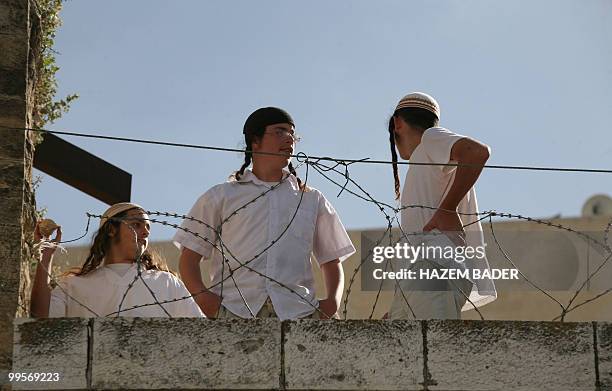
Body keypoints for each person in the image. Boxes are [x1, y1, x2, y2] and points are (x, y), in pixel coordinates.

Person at [174, 107, 355, 320]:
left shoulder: (311, 199)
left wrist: (332, 303)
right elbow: (189, 257)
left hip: (299, 312)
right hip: (235, 310)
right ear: (255, 141)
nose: (289, 140)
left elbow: (332, 260)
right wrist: (206, 301)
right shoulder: (222, 196)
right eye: (279, 132)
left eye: (292, 134)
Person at [387, 92, 497, 319]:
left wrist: (447, 209)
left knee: (431, 347)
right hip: (423, 274)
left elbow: (477, 152)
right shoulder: (425, 158)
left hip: (434, 267)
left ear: (398, 123)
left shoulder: (430, 138)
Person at [30, 202, 205, 318]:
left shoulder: (167, 283)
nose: (145, 232)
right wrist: (45, 257)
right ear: (111, 230)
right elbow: (40, 318)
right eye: (136, 224)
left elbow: (199, 332)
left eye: (148, 228)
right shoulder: (74, 285)